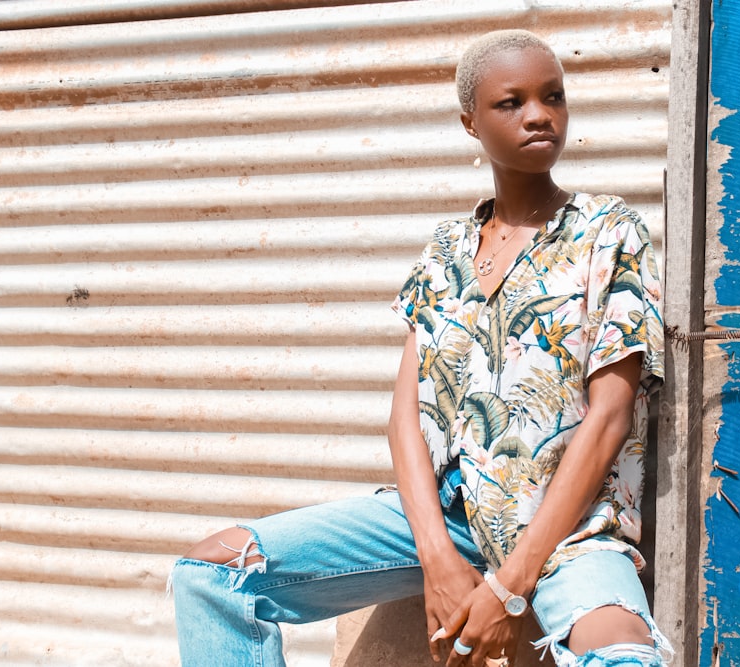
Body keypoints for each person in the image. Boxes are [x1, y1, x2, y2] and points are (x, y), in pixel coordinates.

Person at [170, 29, 672, 667]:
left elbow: (609, 417)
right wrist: (437, 559)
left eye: (553, 97)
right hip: (447, 520)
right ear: (471, 123)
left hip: (567, 534)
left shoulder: (607, 231)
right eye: (510, 103)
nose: (539, 115)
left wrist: (509, 587)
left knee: (624, 658)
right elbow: (402, 417)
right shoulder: (444, 252)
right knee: (212, 574)